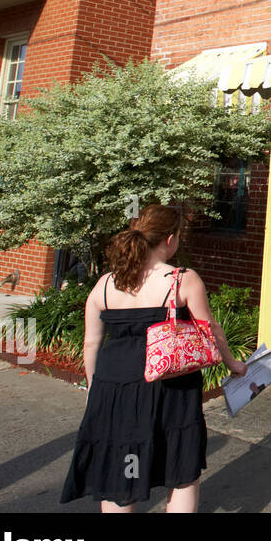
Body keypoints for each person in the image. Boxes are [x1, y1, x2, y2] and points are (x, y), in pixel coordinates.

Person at [61, 204, 247, 512]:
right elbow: (210, 329)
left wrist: (94, 388)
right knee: (180, 469)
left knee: (120, 472)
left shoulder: (105, 283)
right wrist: (233, 363)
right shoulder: (182, 279)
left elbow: (91, 342)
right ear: (170, 239)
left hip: (114, 386)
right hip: (170, 385)